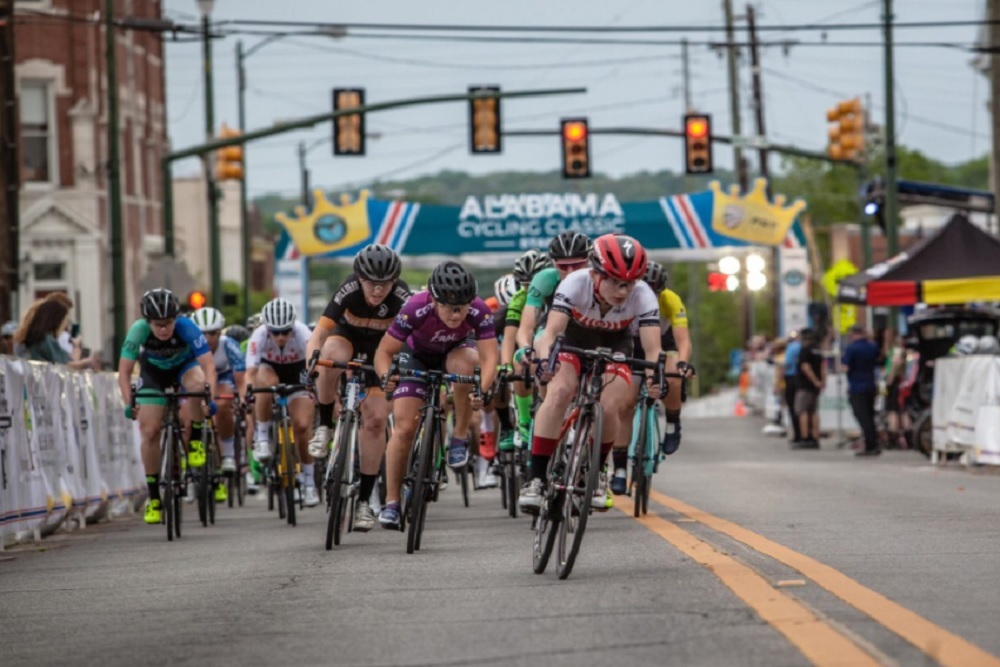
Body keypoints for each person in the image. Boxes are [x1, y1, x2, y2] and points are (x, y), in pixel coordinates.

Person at [520, 234, 663, 514]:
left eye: (629, 283)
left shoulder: (643, 295)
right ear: (595, 273)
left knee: (610, 406)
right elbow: (551, 333)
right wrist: (545, 361)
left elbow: (653, 350)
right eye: (615, 281)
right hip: (572, 339)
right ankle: (535, 479)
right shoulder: (575, 283)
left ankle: (597, 473)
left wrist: (654, 378)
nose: (622, 291)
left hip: (616, 344)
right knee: (560, 391)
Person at [374, 261, 498, 529]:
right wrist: (386, 377)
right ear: (433, 300)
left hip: (456, 352)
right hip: (416, 356)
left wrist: (482, 390)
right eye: (448, 307)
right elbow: (384, 352)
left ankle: (459, 436)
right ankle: (392, 501)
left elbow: (490, 359)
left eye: (462, 307)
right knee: (404, 428)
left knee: (466, 365)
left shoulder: (479, 310)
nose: (456, 314)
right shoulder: (415, 307)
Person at [306, 244, 410, 531]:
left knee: (376, 420)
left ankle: (364, 500)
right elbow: (319, 334)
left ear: (394, 281)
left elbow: (412, 341)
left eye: (385, 283)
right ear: (360, 278)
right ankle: (324, 425)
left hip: (381, 351)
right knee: (329, 356)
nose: (378, 290)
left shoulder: (402, 297)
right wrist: (311, 361)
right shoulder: (348, 289)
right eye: (371, 282)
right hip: (347, 339)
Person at [118, 289, 218, 525]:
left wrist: (209, 399)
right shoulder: (138, 330)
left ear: (176, 318)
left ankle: (195, 440)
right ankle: (154, 498)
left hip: (184, 367)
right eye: (158, 324)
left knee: (197, 385)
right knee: (150, 431)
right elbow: (124, 372)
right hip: (153, 374)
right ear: (148, 322)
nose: (164, 329)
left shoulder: (187, 327)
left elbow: (209, 367)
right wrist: (129, 403)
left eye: (168, 323)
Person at [514, 233, 592, 444]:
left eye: (577, 265)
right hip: (554, 330)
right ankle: (546, 402)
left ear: (589, 261)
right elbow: (526, 327)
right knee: (542, 350)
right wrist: (525, 347)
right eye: (563, 266)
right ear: (553, 264)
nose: (570, 272)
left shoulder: (600, 278)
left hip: (590, 333)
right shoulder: (546, 279)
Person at [246, 298, 319, 507]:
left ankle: (309, 482)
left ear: (292, 327)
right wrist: (248, 393)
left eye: (285, 331)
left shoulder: (303, 332)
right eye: (275, 332)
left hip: (298, 372)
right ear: (267, 328)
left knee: (302, 426)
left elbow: (314, 367)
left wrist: (315, 387)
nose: (280, 337)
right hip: (270, 370)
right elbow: (250, 373)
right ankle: (262, 437)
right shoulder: (258, 335)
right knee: (263, 382)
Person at [191, 307, 247, 501]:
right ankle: (192, 471)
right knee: (186, 419)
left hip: (223, 379)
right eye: (202, 334)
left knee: (222, 405)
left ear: (220, 332)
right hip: (196, 379)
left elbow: (241, 379)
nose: (207, 338)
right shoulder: (188, 345)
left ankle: (228, 455)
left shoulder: (228, 345)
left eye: (213, 333)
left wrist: (242, 397)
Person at [14, 298, 100, 370]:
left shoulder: (28, 338)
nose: (64, 327)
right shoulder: (46, 340)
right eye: (64, 322)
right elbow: (66, 365)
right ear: (56, 321)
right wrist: (88, 361)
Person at [842, 324, 881, 457]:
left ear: (853, 334)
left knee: (862, 417)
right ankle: (874, 442)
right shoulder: (872, 347)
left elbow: (845, 366)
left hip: (857, 386)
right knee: (870, 415)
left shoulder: (852, 348)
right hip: (871, 384)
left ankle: (870, 445)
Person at [794, 330, 825, 449]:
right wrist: (822, 381)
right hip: (815, 386)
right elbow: (823, 366)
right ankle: (815, 437)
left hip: (805, 384)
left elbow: (805, 367)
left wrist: (814, 380)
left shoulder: (804, 350)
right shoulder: (818, 350)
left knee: (803, 411)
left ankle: (805, 437)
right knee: (813, 411)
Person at [783, 330, 804, 444]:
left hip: (791, 378)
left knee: (793, 407)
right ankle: (805, 434)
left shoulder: (791, 347)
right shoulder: (803, 347)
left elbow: (787, 364)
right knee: (804, 409)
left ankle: (798, 434)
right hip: (802, 379)